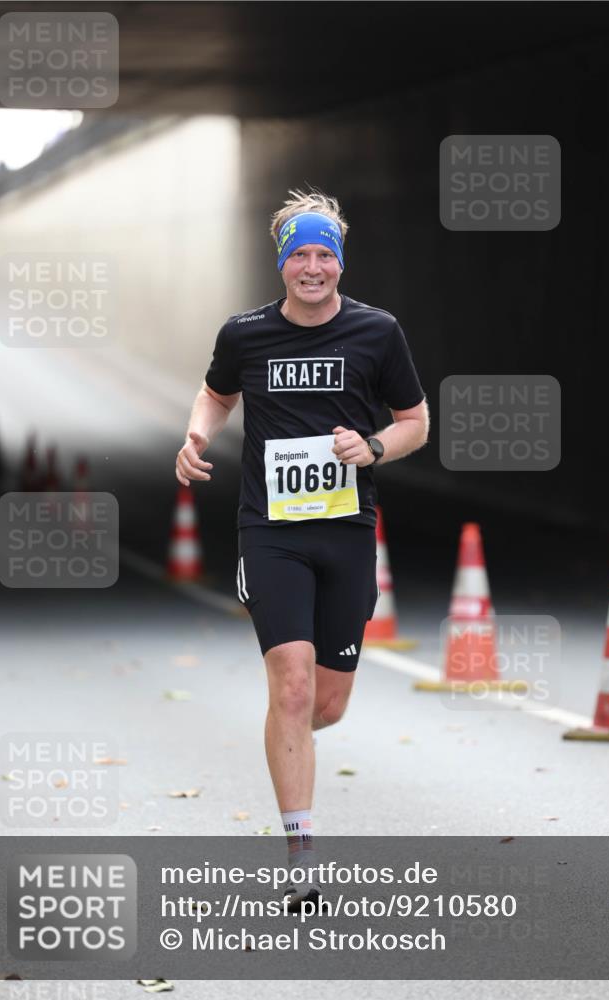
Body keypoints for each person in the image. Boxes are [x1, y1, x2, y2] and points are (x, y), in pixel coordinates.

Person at [176, 188, 429, 910]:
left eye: (324, 255)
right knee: (288, 687)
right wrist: (197, 435)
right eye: (299, 256)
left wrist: (373, 444)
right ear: (281, 264)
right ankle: (301, 855)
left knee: (325, 703)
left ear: (339, 263)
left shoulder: (377, 333)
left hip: (346, 533)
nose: (311, 268)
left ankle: (289, 739)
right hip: (271, 530)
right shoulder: (245, 334)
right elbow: (215, 393)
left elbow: (415, 421)